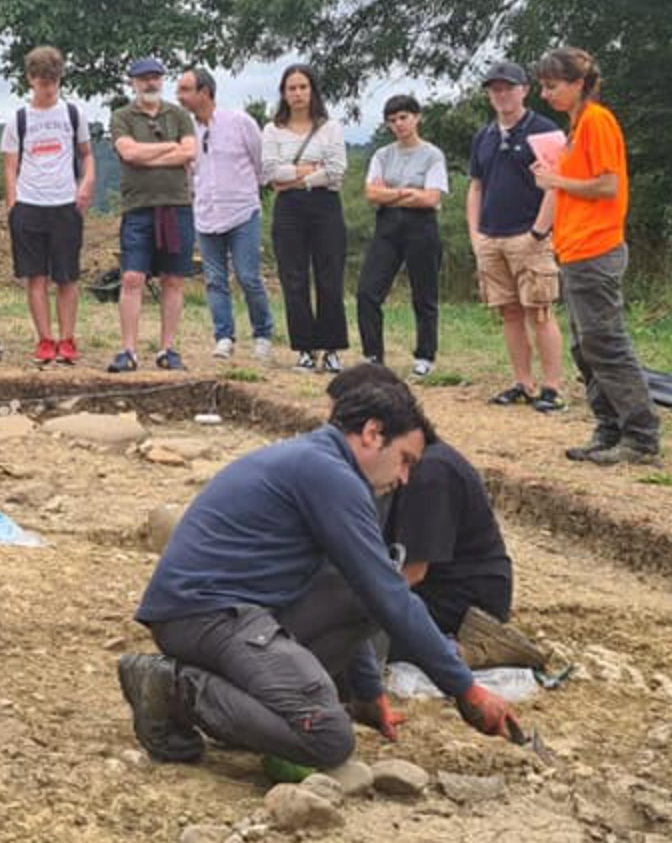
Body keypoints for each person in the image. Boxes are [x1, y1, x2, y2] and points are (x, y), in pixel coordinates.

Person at [120, 377, 522, 770]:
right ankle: (174, 687)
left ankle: (218, 693)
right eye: (405, 460)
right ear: (372, 433)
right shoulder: (329, 475)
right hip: (208, 614)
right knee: (326, 736)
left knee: (354, 597)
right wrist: (466, 688)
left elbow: (361, 591)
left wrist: (367, 692)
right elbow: (392, 596)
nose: (404, 478)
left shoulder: (321, 463)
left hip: (219, 613)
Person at [532, 47, 662, 466]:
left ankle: (640, 436)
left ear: (578, 84)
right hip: (574, 248)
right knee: (586, 347)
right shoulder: (576, 125)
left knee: (606, 343)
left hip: (596, 246)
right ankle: (609, 428)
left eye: (552, 86)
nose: (545, 94)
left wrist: (555, 179)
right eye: (543, 85)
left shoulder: (597, 122)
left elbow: (607, 186)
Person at [326, 364, 514, 638]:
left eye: (336, 422)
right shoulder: (394, 464)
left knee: (338, 637)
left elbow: (412, 573)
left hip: (459, 607)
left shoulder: (429, 473)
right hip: (428, 593)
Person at [468, 61, 567, 412]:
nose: (501, 94)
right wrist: (475, 233)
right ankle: (523, 382)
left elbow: (558, 185)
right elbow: (476, 186)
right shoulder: (485, 135)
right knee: (509, 312)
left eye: (508, 87)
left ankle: (553, 387)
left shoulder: (545, 131)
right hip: (492, 236)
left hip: (530, 234)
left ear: (524, 90)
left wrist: (539, 232)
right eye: (495, 88)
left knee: (539, 311)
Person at [0, 46, 96, 365]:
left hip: (64, 204)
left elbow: (86, 154)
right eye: (42, 81)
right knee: (35, 276)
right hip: (29, 204)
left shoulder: (73, 114)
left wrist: (86, 183)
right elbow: (10, 166)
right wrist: (13, 205)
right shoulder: (19, 119)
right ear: (30, 79)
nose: (48, 87)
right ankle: (45, 339)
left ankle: (67, 339)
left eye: (53, 80)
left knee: (67, 276)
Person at [178, 67, 274, 362]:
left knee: (248, 276)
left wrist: (245, 190)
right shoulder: (186, 131)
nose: (179, 97)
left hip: (242, 210)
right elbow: (187, 170)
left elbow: (261, 164)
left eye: (185, 90)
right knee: (214, 280)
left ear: (204, 92)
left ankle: (263, 335)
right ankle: (223, 337)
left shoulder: (240, 122)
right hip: (206, 213)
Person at [109, 57, 197, 373]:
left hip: (177, 205)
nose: (150, 83)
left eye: (155, 77)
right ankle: (128, 351)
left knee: (173, 279)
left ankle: (168, 349)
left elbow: (189, 152)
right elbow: (128, 153)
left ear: (162, 80)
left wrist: (148, 156)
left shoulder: (180, 115)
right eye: (144, 78)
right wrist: (168, 150)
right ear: (132, 82)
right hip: (138, 207)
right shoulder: (121, 117)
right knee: (132, 277)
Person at [262, 64, 349, 373]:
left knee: (330, 277)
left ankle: (333, 347)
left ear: (312, 90)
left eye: (303, 87)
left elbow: (337, 170)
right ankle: (304, 348)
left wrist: (297, 178)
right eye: (291, 88)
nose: (297, 93)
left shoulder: (330, 127)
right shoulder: (272, 130)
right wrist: (312, 169)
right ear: (284, 94)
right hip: (288, 210)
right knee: (294, 279)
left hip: (325, 206)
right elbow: (270, 172)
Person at [356, 95, 449, 376]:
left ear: (417, 117)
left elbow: (431, 198)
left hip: (421, 228)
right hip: (387, 228)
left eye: (403, 117)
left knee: (424, 294)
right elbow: (372, 193)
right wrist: (405, 192)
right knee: (367, 292)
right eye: (393, 120)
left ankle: (425, 356)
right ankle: (373, 355)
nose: (398, 124)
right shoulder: (383, 155)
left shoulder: (432, 154)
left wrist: (391, 194)